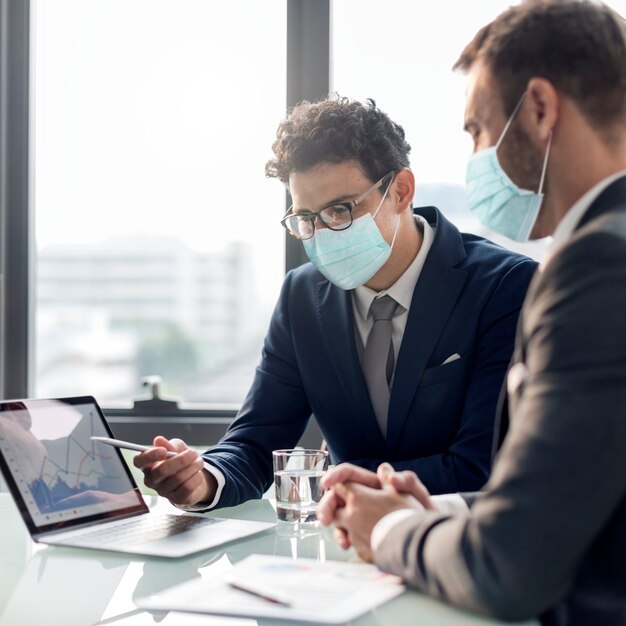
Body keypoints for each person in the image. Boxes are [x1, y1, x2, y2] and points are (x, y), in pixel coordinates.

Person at [318, 2, 626, 625]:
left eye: (478, 130)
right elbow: (581, 488)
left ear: (539, 109)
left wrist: (394, 529)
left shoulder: (597, 265)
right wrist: (443, 509)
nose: (476, 155)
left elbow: (508, 569)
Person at [133, 97, 536, 511]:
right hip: (342, 549)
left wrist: (347, 489)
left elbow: (483, 465)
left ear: (400, 191)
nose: (322, 233)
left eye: (340, 210)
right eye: (306, 218)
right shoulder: (301, 297)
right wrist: (202, 479)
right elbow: (255, 442)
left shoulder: (505, 288)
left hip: (459, 544)